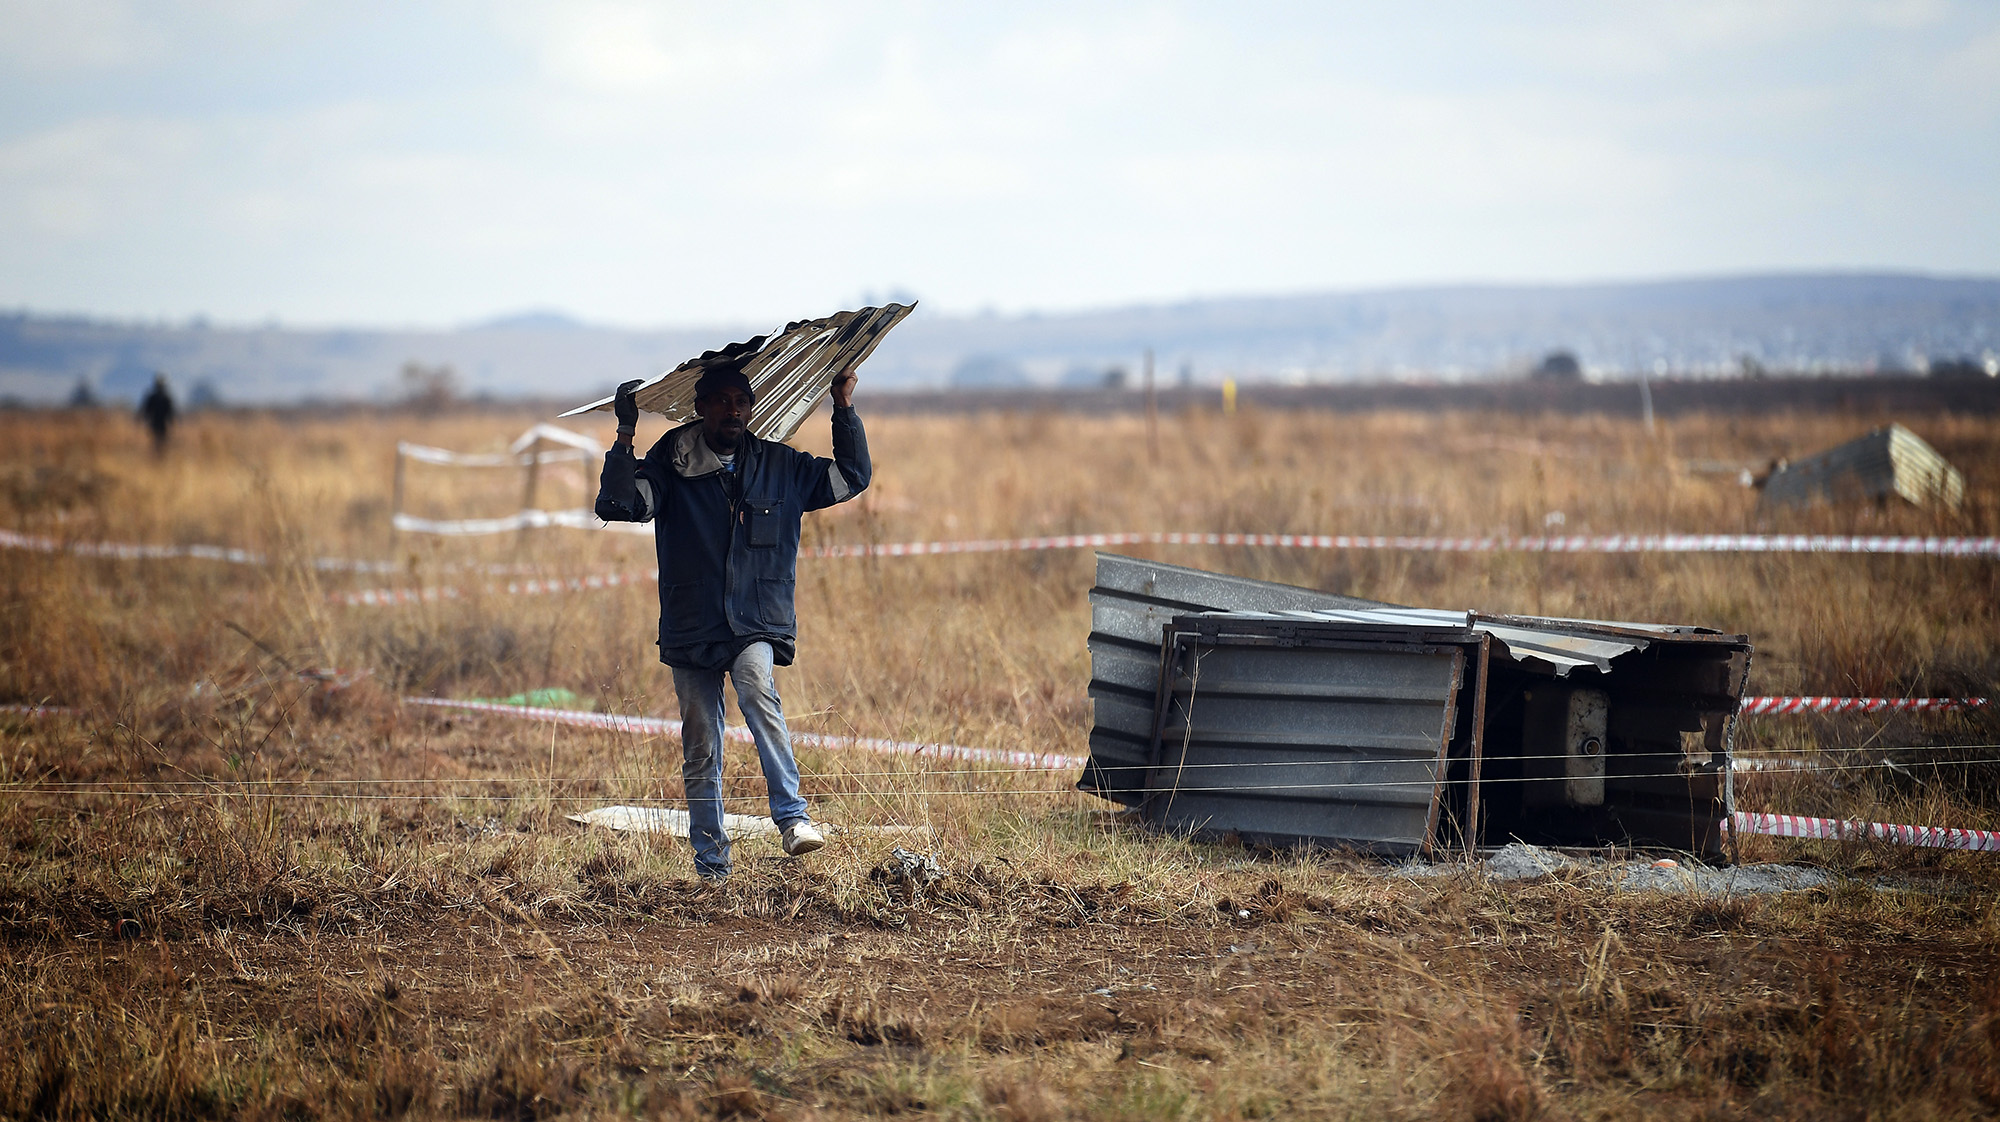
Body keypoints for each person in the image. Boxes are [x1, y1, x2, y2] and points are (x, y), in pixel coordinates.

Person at [594, 358, 870, 881]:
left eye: (740, 402)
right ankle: (712, 866)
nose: (732, 410)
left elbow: (851, 476)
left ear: (752, 408)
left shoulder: (780, 467)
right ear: (699, 409)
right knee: (701, 742)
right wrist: (625, 435)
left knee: (756, 684)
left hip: (755, 619)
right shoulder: (671, 463)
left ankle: (792, 819)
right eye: (720, 401)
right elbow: (619, 504)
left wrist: (843, 406)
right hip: (692, 623)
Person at [138, 374, 176, 455]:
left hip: (155, 423)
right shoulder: (166, 397)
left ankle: (157, 455)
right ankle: (160, 455)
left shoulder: (153, 397)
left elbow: (146, 411)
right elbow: (171, 413)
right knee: (160, 441)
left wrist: (144, 420)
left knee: (156, 441)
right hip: (161, 424)